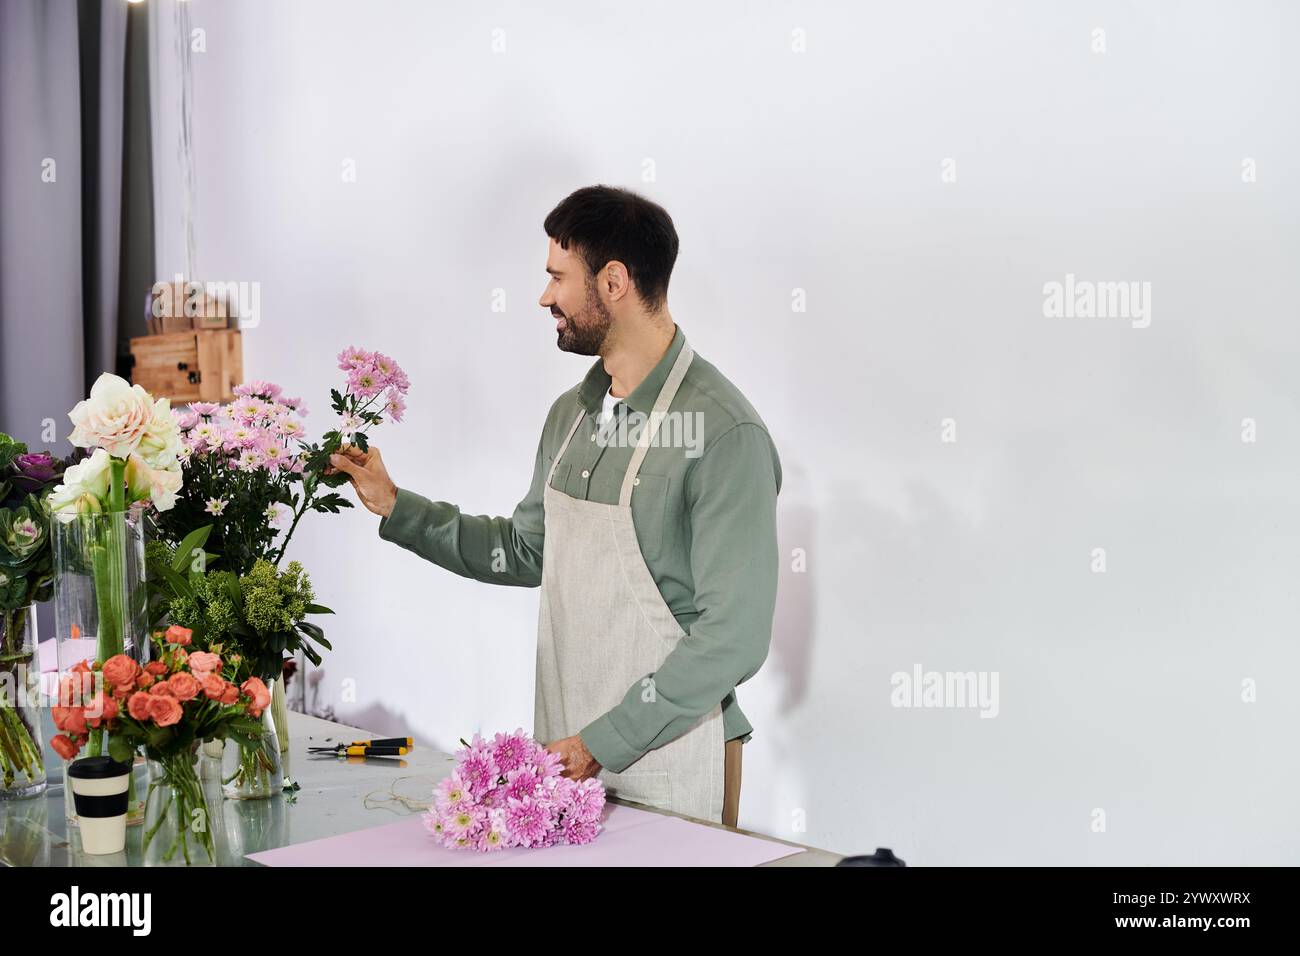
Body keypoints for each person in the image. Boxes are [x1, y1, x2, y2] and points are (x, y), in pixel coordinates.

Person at [328, 185, 781, 826]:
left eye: (557, 278)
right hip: (567, 756)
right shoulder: (572, 416)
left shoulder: (724, 433)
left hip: (678, 755)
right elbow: (525, 550)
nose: (545, 298)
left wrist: (602, 743)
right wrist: (396, 506)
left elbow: (732, 639)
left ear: (614, 281)